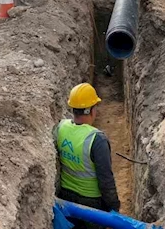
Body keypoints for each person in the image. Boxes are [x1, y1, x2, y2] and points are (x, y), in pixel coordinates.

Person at [54, 83, 120, 228]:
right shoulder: (97, 140)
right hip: (92, 205)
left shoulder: (60, 127)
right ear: (90, 110)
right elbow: (106, 181)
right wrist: (114, 208)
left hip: (65, 198)